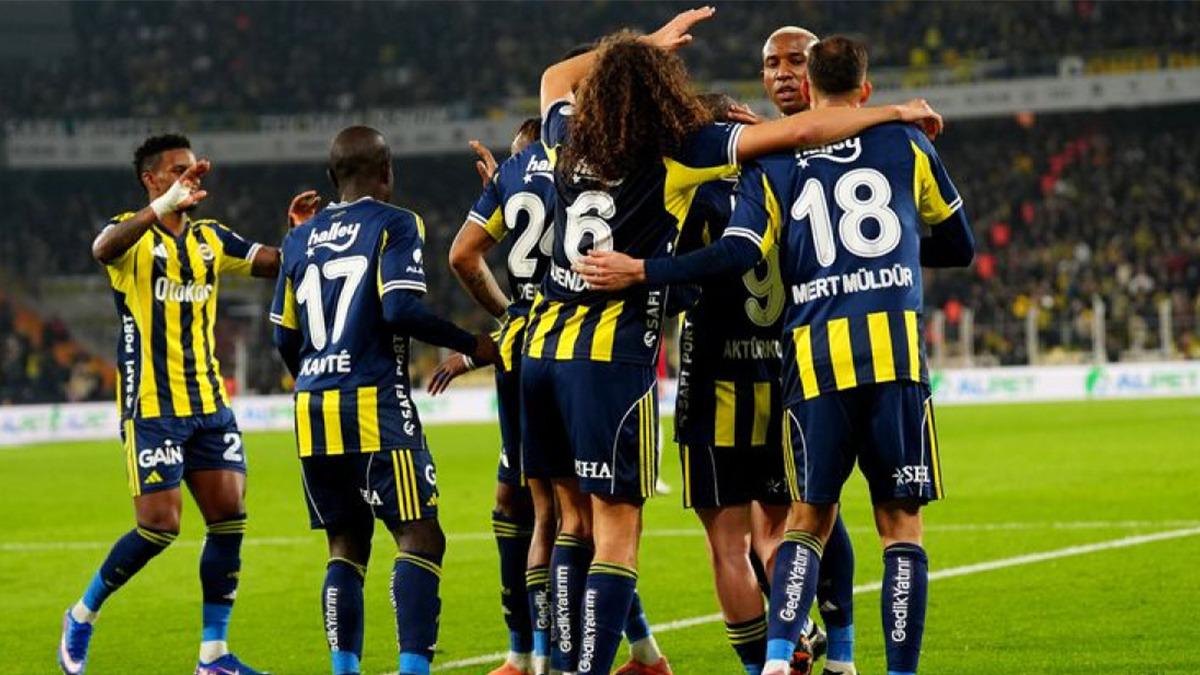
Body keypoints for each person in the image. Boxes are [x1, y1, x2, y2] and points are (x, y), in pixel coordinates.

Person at [525, 8, 943, 675]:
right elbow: (800, 132)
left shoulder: (564, 137)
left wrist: (642, 45)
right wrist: (891, 113)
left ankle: (594, 661)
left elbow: (554, 76)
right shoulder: (691, 154)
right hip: (723, 359)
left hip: (558, 349)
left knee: (579, 521)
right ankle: (830, 650)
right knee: (790, 519)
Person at [431, 118, 671, 675]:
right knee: (592, 520)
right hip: (586, 345)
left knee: (550, 516)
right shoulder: (599, 170)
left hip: (530, 349)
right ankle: (597, 653)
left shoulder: (518, 175)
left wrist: (509, 317)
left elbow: (463, 256)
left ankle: (544, 655)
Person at [58, 133, 294, 675]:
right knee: (159, 526)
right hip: (152, 406)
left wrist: (300, 235)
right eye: (178, 170)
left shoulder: (211, 238)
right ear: (151, 179)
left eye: (194, 170)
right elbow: (102, 249)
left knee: (229, 517)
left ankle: (213, 655)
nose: (191, 178)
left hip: (209, 403)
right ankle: (81, 614)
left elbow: (274, 262)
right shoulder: (130, 236)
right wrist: (160, 208)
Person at [270, 126, 498, 675]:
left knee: (345, 544)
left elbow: (282, 335)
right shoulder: (396, 223)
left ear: (332, 177)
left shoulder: (297, 238)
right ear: (387, 171)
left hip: (313, 407)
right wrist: (473, 343)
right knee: (420, 536)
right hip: (373, 403)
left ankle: (344, 670)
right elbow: (400, 310)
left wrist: (317, 378)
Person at [761, 25, 861, 675]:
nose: (783, 73)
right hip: (754, 360)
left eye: (796, 61)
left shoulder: (857, 141)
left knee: (814, 506)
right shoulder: (758, 148)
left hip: (823, 352)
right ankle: (806, 639)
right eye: (772, 64)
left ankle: (831, 648)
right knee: (788, 508)